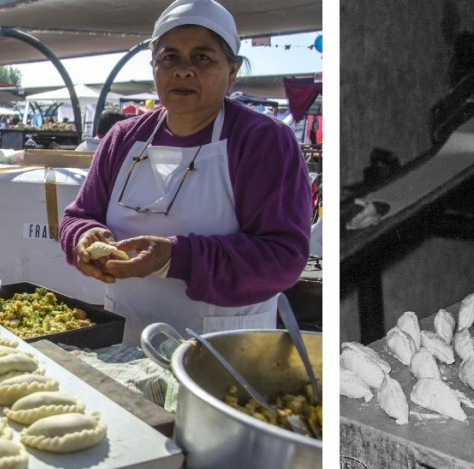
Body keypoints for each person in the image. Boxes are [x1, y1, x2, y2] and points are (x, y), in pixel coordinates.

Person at [59, 0, 311, 344]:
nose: (183, 70)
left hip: (225, 350)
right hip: (127, 339)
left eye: (202, 57)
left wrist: (175, 258)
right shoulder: (123, 138)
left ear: (232, 71)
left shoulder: (261, 140)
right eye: (170, 57)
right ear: (154, 67)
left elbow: (283, 257)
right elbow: (79, 215)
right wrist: (82, 237)